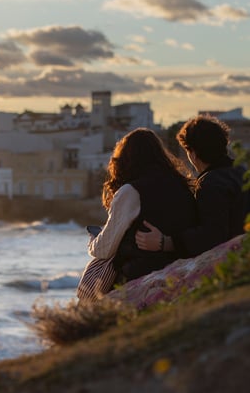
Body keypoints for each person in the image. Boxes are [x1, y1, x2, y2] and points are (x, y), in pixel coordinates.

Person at [77, 128, 197, 303]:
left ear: (125, 159)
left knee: (85, 305)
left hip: (140, 272)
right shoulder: (181, 186)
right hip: (177, 265)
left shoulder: (131, 191)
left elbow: (104, 249)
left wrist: (93, 241)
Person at [135, 115, 247, 257]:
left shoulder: (210, 184)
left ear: (193, 154)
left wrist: (165, 242)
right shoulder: (242, 172)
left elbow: (212, 235)